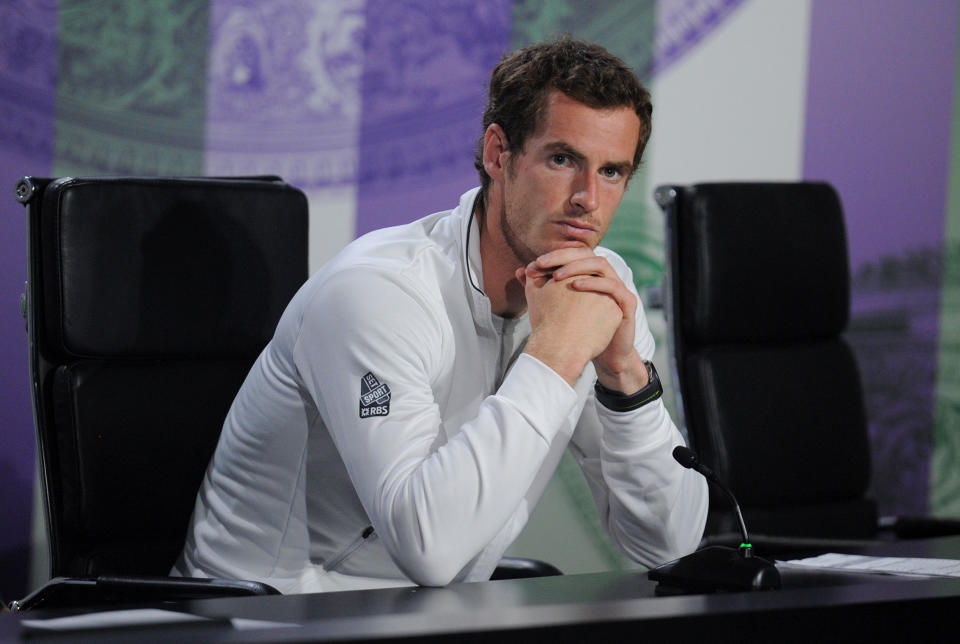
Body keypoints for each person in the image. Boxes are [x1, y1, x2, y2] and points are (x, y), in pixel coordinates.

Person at [173, 35, 708, 594]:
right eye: (563, 159)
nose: (587, 199)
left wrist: (625, 378)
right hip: (261, 615)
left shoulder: (599, 292)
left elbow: (668, 546)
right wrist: (556, 355)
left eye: (612, 172)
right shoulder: (379, 291)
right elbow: (428, 550)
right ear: (498, 153)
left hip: (424, 618)